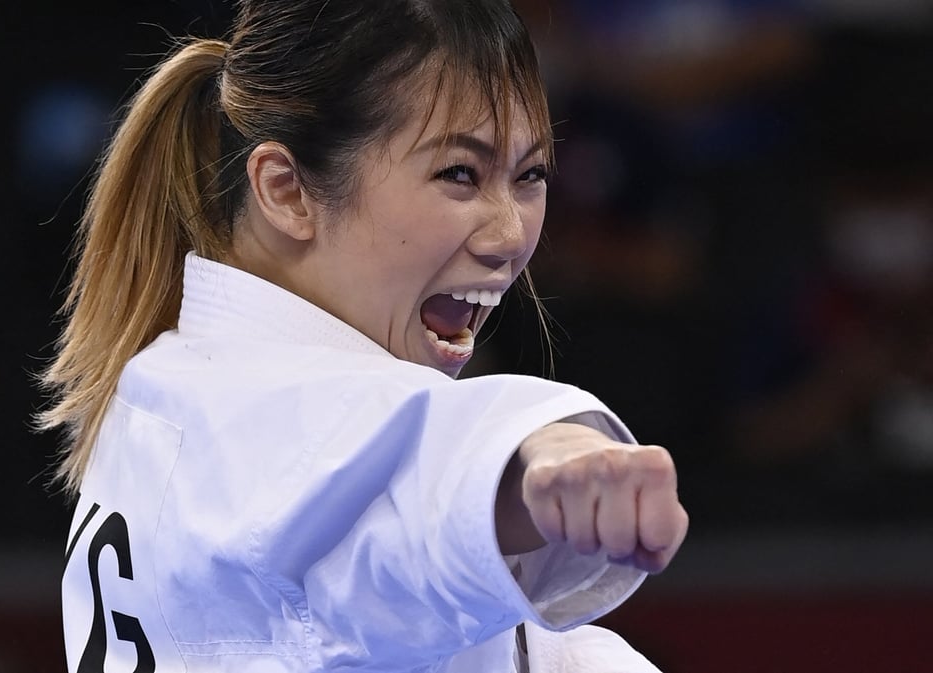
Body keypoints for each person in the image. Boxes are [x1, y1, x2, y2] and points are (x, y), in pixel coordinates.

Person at [39, 1, 689, 671]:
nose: (510, 236)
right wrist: (546, 455)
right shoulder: (265, 420)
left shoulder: (180, 393)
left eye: (529, 176)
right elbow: (417, 460)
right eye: (458, 173)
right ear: (286, 190)